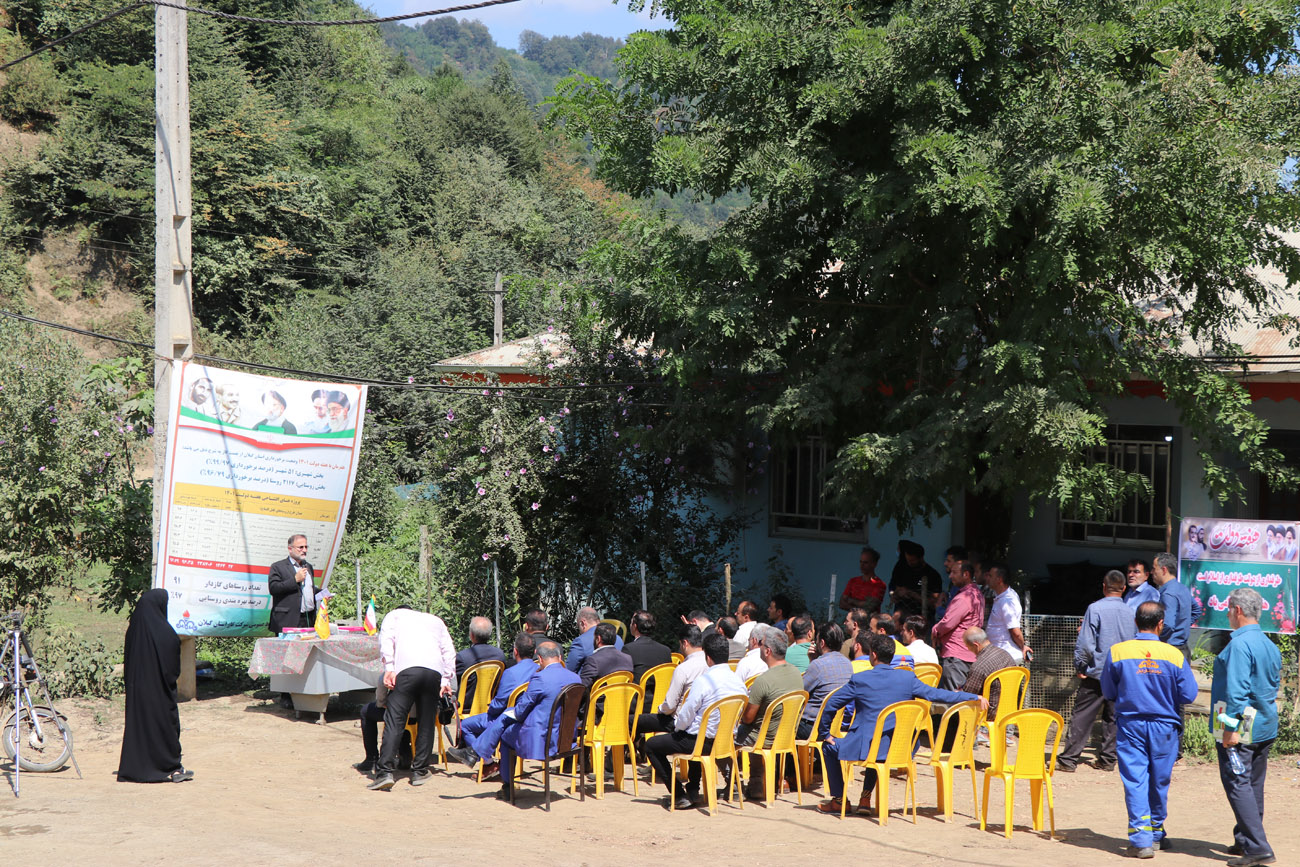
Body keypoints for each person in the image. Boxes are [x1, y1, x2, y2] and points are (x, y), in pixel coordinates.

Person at [816, 633, 983, 815]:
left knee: (829, 747)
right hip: (899, 748)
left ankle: (839, 800)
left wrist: (825, 733)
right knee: (879, 745)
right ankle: (865, 797)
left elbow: (832, 703)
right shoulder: (908, 679)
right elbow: (938, 695)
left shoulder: (860, 679)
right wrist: (972, 696)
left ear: (873, 655)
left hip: (865, 746)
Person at [1101, 601, 1198, 859]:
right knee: (1160, 780)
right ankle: (1155, 833)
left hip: (1130, 725)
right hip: (1164, 727)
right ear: (1160, 624)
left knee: (1135, 779)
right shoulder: (1174, 655)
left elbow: (1108, 692)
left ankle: (1142, 838)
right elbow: (1188, 694)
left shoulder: (1118, 652)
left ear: (1136, 622)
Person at [1211, 587, 1281, 867]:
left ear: (1237, 611)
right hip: (1264, 724)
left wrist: (1231, 728)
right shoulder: (1268, 643)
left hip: (1241, 727)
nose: (1228, 615)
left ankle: (1258, 848)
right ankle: (1245, 839)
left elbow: (1237, 692)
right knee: (1252, 784)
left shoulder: (1239, 644)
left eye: (1228, 610)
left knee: (1238, 783)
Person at [642, 633, 747, 809]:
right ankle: (692, 788)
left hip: (701, 742)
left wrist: (678, 727)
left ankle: (678, 794)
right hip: (724, 743)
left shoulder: (704, 681)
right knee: (692, 732)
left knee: (652, 745)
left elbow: (685, 715)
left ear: (707, 657)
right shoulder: (738, 682)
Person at [368, 605, 457, 790]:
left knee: (395, 720)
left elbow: (386, 640)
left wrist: (389, 668)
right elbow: (449, 651)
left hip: (406, 671)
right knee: (426, 721)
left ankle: (385, 772)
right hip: (433, 672)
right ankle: (420, 771)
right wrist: (446, 678)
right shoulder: (435, 620)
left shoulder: (393, 616)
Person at [1057, 570, 1136, 773]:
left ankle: (1069, 759)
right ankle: (1108, 759)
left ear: (1104, 586)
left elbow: (1085, 643)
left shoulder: (1095, 608)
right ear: (1124, 588)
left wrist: (1081, 665)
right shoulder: (1131, 612)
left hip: (1097, 672)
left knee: (1083, 715)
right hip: (1122, 672)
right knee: (1114, 717)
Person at [117, 589, 192, 783]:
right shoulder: (165, 632)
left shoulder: (133, 630)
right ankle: (171, 767)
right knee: (165, 726)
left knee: (139, 727)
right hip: (159, 693)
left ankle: (137, 768)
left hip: (137, 691)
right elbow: (172, 668)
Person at [447, 632, 539, 779]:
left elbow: (499, 704)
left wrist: (491, 706)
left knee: (466, 725)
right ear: (535, 652)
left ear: (515, 651)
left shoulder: (511, 673)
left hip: (505, 718)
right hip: (529, 716)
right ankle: (489, 761)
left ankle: (489, 764)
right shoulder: (538, 670)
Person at [498, 641, 582, 802]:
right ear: (559, 656)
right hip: (566, 740)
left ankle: (508, 786)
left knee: (505, 734)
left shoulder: (540, 677)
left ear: (540, 659)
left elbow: (521, 711)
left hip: (542, 741)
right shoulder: (575, 677)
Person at [736, 629, 803, 798]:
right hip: (786, 735)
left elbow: (748, 718)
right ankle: (755, 783)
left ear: (768, 651)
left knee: (721, 737)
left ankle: (733, 786)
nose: (759, 647)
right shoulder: (796, 673)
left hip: (764, 737)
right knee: (755, 728)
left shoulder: (763, 680)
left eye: (761, 644)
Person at [639, 625, 708, 735]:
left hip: (679, 721)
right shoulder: (710, 663)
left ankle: (636, 749)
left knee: (634, 721)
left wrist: (660, 709)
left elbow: (670, 706)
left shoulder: (683, 669)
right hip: (704, 719)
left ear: (684, 643)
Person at [930, 560, 985, 689]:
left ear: (966, 574)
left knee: (955, 700)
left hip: (957, 654)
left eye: (954, 573)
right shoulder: (976, 594)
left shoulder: (965, 597)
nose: (950, 576)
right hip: (968, 652)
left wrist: (935, 630)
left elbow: (948, 623)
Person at [799, 622, 852, 739]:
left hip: (812, 726)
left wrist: (813, 661)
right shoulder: (848, 664)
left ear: (822, 643)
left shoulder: (818, 665)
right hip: (835, 724)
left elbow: (799, 693)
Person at [356, 682, 414, 774]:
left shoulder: (397, 667)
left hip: (401, 711)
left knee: (365, 711)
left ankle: (372, 759)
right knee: (404, 715)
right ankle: (405, 754)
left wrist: (381, 703)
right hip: (425, 714)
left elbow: (383, 683)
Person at [959, 627, 1014, 722]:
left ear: (976, 645)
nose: (968, 650)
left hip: (989, 713)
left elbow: (969, 694)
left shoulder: (980, 666)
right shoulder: (1006, 655)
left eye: (968, 647)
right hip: (1010, 709)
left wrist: (958, 693)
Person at [267, 534, 318, 634]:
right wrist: (294, 580)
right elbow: (274, 589)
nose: (304, 550)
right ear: (290, 549)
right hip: (288, 620)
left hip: (308, 620)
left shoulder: (308, 566)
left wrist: (323, 593)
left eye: (306, 547)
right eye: (301, 547)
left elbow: (308, 589)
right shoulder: (278, 567)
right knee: (287, 650)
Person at [455, 616, 505, 711]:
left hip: (466, 708)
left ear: (472, 635)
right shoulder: (500, 655)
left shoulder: (463, 657)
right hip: (490, 706)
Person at [985, 564, 1031, 662]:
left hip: (1006, 656)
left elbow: (1015, 632)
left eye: (990, 576)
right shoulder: (1001, 597)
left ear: (999, 579)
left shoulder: (1007, 600)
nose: (987, 578)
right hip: (999, 655)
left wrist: (1023, 647)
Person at [890, 540, 941, 622]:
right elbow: (893, 585)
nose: (910, 563)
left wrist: (911, 594)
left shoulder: (932, 575)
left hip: (922, 620)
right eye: (908, 560)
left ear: (921, 558)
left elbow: (934, 603)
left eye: (913, 561)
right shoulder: (901, 567)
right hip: (901, 618)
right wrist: (895, 594)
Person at [624, 609, 673, 691]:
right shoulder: (666, 650)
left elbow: (624, 678)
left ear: (635, 626)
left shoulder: (629, 649)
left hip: (638, 699)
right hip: (660, 699)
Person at [565, 606, 623, 672]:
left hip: (589, 681)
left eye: (578, 626)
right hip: (616, 681)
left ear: (583, 623)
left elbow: (569, 670)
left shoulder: (580, 642)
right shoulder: (618, 639)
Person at [578, 621, 634, 689]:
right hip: (623, 699)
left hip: (600, 699)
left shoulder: (593, 661)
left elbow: (581, 687)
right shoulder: (628, 658)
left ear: (598, 639)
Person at [839, 547, 886, 614]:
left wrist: (851, 600)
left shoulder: (879, 584)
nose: (862, 565)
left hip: (869, 622)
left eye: (865, 562)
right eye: (860, 562)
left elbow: (871, 606)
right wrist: (861, 605)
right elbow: (841, 603)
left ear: (874, 564)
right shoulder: (853, 581)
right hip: (852, 621)